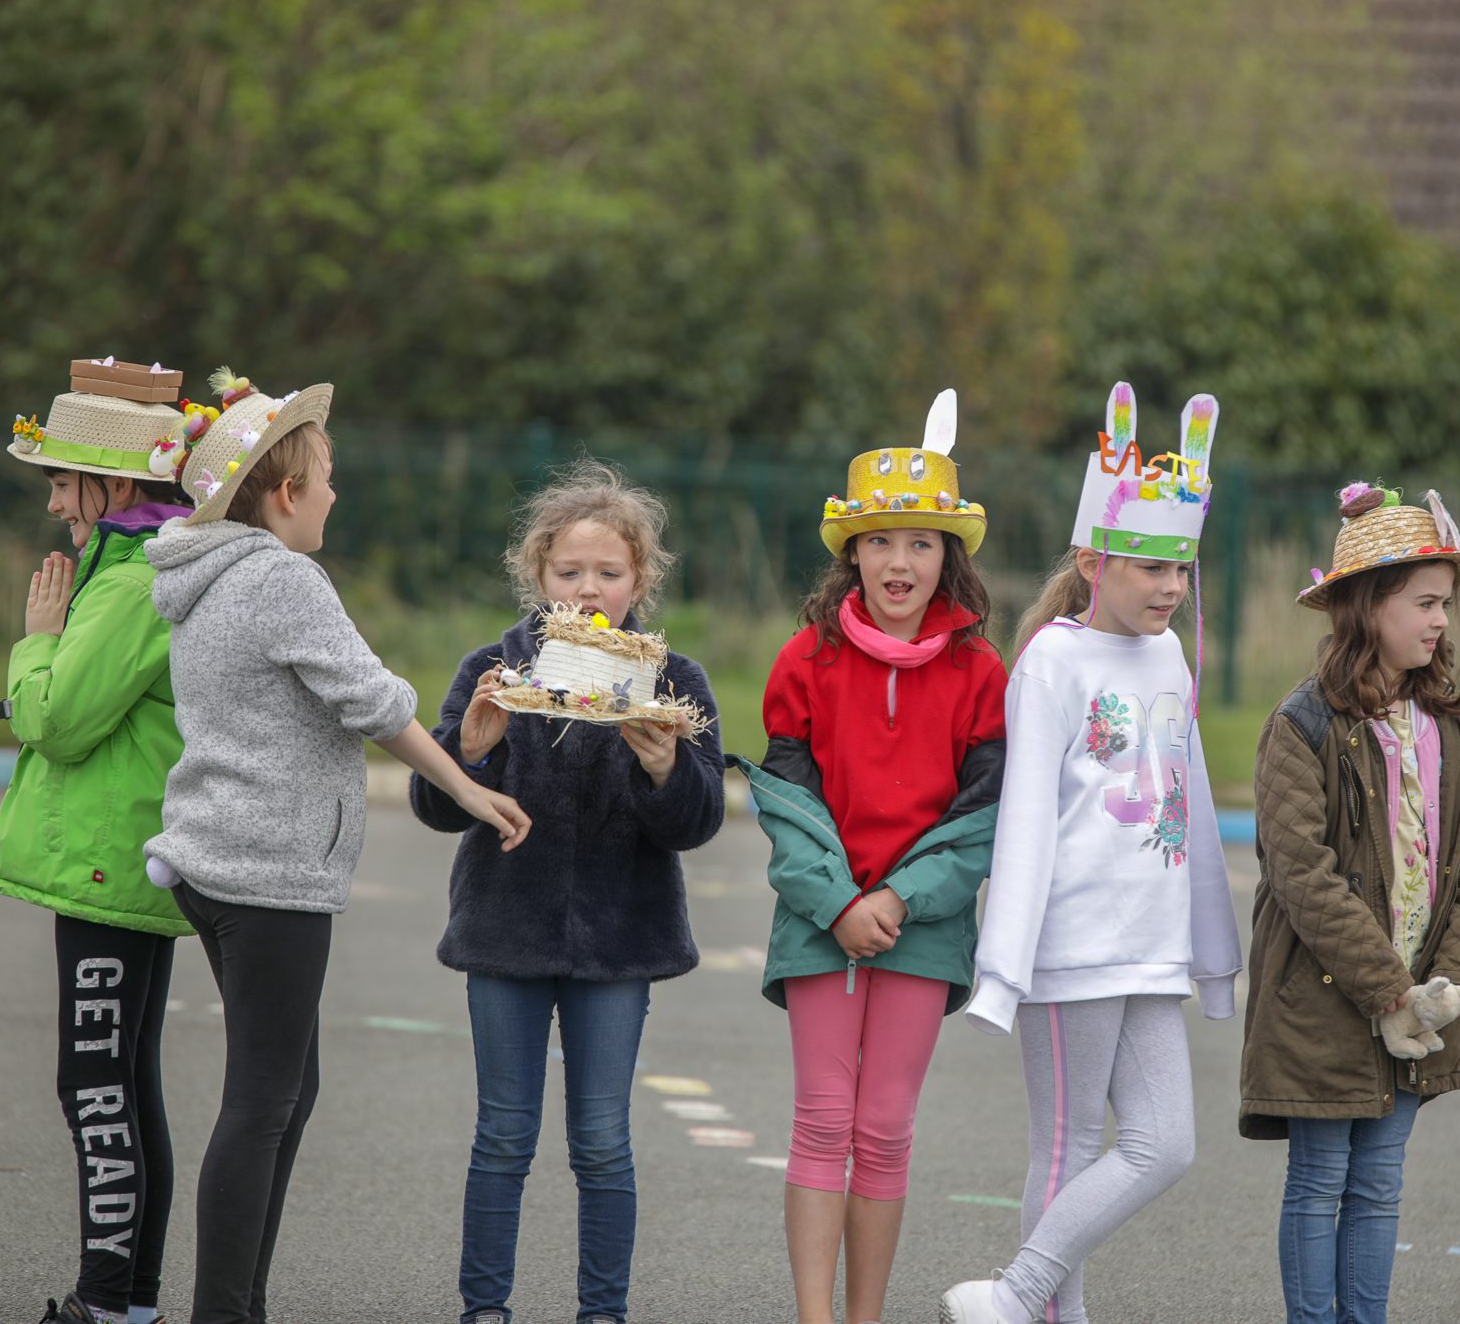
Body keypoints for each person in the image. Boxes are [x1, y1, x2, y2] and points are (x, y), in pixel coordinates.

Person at [141, 369, 530, 1324]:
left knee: (286, 1091)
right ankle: (224, 1312)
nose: (334, 493)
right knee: (263, 1102)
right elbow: (375, 700)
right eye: (325, 476)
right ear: (283, 495)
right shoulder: (279, 575)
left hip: (216, 859)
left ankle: (243, 1303)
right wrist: (470, 786)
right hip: (268, 869)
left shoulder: (205, 571)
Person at [938, 385, 1242, 1324]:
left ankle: (1013, 1296)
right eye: (1150, 567)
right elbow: (1025, 818)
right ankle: (1038, 1308)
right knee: (1066, 1147)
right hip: (1069, 948)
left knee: (1166, 1143)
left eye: (1182, 569)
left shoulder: (1170, 659)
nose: (1169, 588)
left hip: (1149, 949)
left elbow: (1190, 816)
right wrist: (1004, 966)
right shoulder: (1052, 663)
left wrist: (1212, 954)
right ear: (1093, 559)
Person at [411, 459, 725, 1324]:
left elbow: (696, 825)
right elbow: (435, 806)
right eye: (568, 572)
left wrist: (667, 768)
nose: (588, 590)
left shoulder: (674, 682)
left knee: (603, 1140)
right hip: (505, 930)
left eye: (609, 574)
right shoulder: (495, 668)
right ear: (536, 575)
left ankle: (603, 1312)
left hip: (622, 939)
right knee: (503, 1134)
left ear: (641, 581)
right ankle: (484, 1308)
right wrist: (470, 752)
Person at [734, 391, 1006, 1324]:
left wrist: (898, 897)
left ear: (948, 557)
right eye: (881, 540)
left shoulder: (982, 674)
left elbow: (981, 817)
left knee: (885, 1131)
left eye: (921, 542)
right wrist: (841, 901)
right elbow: (784, 801)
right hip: (820, 921)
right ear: (852, 550)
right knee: (820, 1122)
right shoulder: (802, 661)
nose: (900, 560)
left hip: (922, 932)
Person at [1239, 481, 1460, 1324]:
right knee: (1320, 1183)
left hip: (1420, 1001)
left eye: (1445, 604)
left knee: (1381, 1184)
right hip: (1327, 999)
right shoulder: (1302, 722)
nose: (1440, 621)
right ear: (1367, 606)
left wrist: (1447, 984)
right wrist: (1387, 991)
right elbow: (1299, 869)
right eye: (1424, 602)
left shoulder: (1446, 718)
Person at [0, 363, 196, 1324]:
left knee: (96, 1086)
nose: (56, 501)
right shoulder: (138, 564)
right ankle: (127, 1302)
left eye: (66, 480)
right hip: (124, 858)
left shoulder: (130, 578)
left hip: (109, 859)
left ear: (118, 483)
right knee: (125, 1080)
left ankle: (106, 1302)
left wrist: (35, 640)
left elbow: (56, 719)